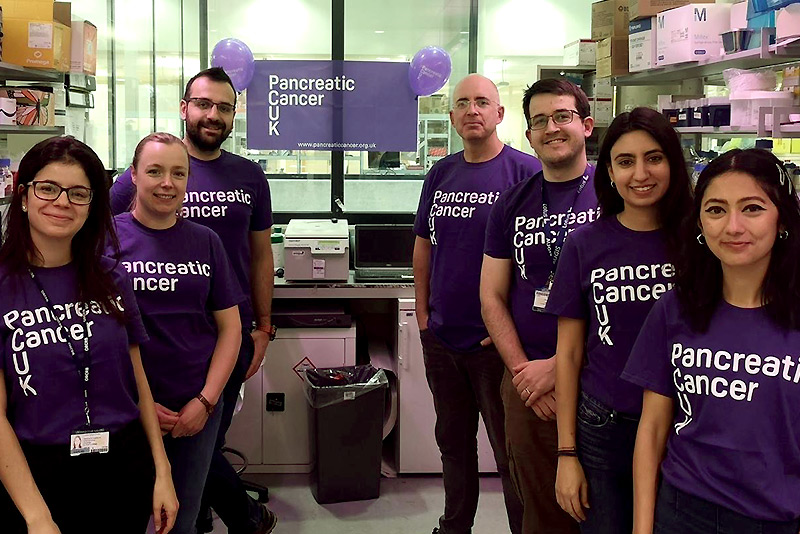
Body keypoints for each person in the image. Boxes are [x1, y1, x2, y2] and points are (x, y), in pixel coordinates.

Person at [110, 67, 277, 534]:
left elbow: (261, 254)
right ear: (185, 108)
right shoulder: (141, 173)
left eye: (224, 107)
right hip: (145, 347)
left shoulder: (248, 176)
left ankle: (210, 517)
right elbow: (99, 241)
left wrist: (263, 326)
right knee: (185, 453)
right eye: (204, 104)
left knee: (202, 436)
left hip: (226, 334)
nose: (213, 114)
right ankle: (238, 516)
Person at [0, 136, 178, 534]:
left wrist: (162, 471)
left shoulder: (110, 276)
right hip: (36, 473)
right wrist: (36, 516)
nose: (62, 202)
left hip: (122, 465)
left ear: (92, 205)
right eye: (48, 188)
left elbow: (138, 383)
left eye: (78, 193)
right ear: (24, 195)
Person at [623, 148, 800, 534]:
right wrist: (641, 528)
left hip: (774, 518)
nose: (732, 227)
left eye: (752, 208)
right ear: (700, 223)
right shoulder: (675, 309)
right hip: (682, 512)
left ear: (782, 217)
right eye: (716, 210)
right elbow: (652, 431)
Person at [546, 107, 693, 533]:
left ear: (672, 163)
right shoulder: (585, 244)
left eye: (654, 157)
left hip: (684, 425)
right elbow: (569, 353)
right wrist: (567, 454)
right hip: (603, 425)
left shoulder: (700, 240)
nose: (640, 173)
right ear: (608, 171)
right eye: (625, 162)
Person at [413, 73, 541, 534]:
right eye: (463, 103)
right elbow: (424, 246)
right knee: (453, 442)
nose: (472, 110)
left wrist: (513, 332)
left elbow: (540, 255)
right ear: (451, 116)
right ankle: (454, 526)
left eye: (482, 102)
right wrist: (423, 315)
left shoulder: (525, 173)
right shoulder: (441, 174)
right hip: (443, 339)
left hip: (495, 346)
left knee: (510, 450)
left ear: (499, 114)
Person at [480, 78, 598, 534]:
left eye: (562, 116)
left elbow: (631, 308)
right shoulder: (513, 202)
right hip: (529, 384)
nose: (551, 128)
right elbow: (491, 294)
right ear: (528, 135)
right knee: (540, 509)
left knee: (598, 507)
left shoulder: (614, 198)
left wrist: (561, 365)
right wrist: (524, 372)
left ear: (586, 125)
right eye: (539, 121)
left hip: (597, 380)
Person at [112, 133, 244, 534]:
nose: (167, 183)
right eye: (154, 171)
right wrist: (138, 405)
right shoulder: (104, 238)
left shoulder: (206, 242)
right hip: (124, 409)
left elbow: (230, 328)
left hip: (194, 407)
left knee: (180, 522)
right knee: (123, 518)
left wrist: (205, 402)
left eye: (178, 173)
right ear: (133, 175)